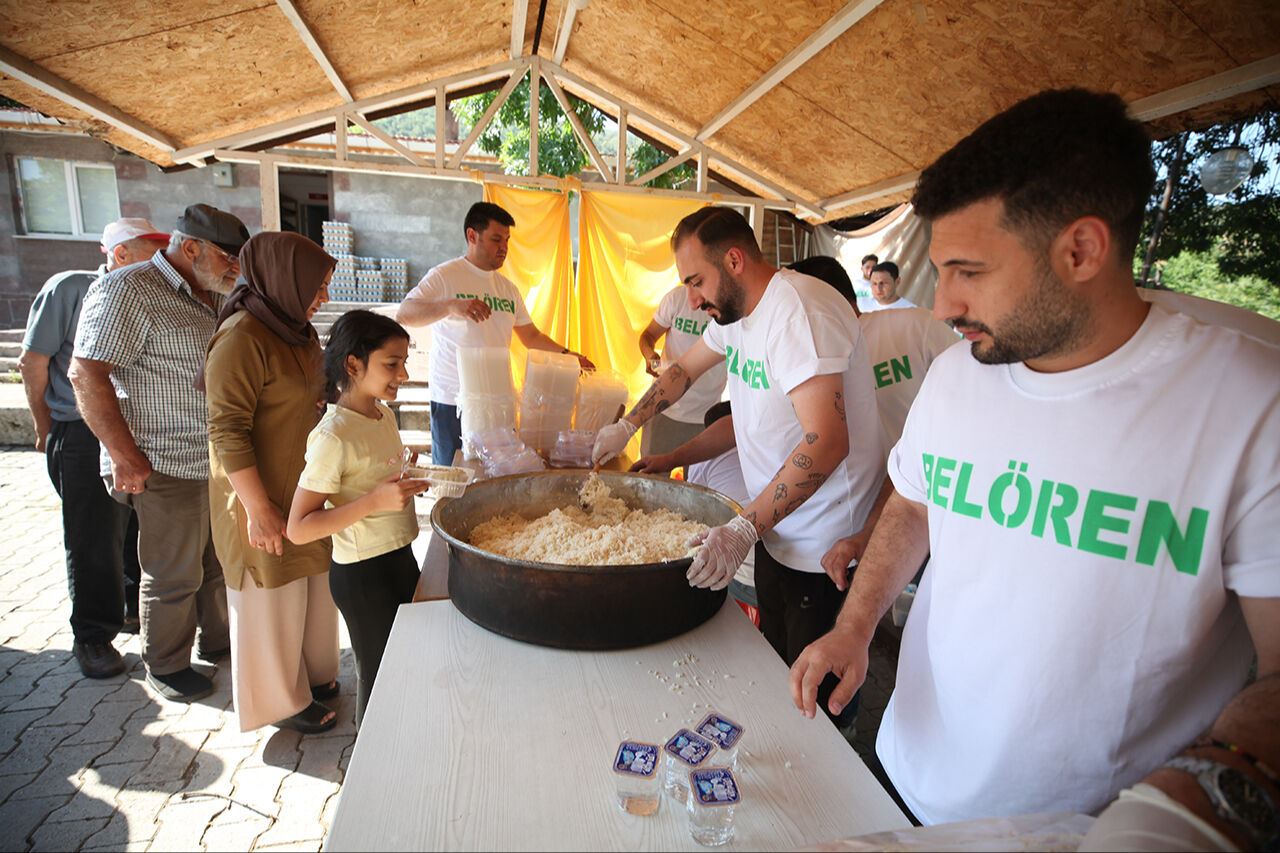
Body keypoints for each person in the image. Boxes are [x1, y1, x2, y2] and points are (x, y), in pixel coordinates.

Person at [789, 88, 1280, 838]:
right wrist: (855, 626)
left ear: (1080, 249)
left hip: (1087, 828)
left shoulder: (1252, 406)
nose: (944, 303)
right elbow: (918, 504)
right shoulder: (958, 376)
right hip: (906, 773)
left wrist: (1183, 814)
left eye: (966, 270)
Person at [593, 206, 889, 731]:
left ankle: (824, 803)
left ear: (733, 261)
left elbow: (827, 442)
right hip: (778, 532)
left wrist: (741, 528)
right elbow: (684, 370)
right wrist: (628, 426)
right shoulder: (735, 317)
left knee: (817, 710)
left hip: (827, 549)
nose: (691, 299)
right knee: (778, 683)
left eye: (696, 281)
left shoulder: (798, 312)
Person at [69, 204, 247, 703]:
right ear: (191, 248)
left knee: (213, 563)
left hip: (211, 462)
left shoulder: (209, 294)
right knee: (174, 572)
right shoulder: (129, 288)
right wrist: (124, 456)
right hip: (162, 461)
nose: (236, 269)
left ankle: (219, 642)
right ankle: (165, 665)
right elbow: (87, 374)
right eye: (228, 259)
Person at [201, 232, 341, 734]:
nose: (322, 297)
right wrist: (258, 509)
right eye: (317, 286)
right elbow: (226, 430)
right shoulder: (242, 337)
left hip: (301, 486)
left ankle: (315, 675)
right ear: (286, 279)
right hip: (258, 494)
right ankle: (281, 701)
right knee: (271, 596)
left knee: (310, 586)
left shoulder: (296, 330)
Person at [18, 218, 167, 677]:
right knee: (93, 537)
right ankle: (93, 635)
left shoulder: (149, 295)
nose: (160, 260)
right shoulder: (69, 289)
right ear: (120, 254)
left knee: (129, 531)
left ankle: (126, 609)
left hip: (136, 428)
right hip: (81, 429)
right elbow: (33, 362)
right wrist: (46, 429)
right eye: (149, 250)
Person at [287, 310, 428, 728]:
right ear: (353, 364)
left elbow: (371, 479)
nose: (403, 373)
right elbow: (299, 527)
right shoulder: (332, 435)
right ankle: (368, 770)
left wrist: (402, 476)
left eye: (404, 361)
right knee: (378, 675)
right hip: (363, 575)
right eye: (391, 363)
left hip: (398, 556)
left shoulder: (381, 414)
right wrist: (374, 501)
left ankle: (403, 746)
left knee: (404, 662)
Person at [788, 256, 959, 581]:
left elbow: (974, 383)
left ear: (820, 299)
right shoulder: (811, 360)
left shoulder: (913, 325)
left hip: (928, 506)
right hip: (854, 524)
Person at [395, 202, 593, 465]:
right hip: (453, 401)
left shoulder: (507, 289)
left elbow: (531, 337)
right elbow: (405, 313)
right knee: (454, 475)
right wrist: (451, 305)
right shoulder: (445, 276)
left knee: (493, 477)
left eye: (507, 240)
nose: (504, 248)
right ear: (472, 236)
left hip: (498, 401)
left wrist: (570, 356)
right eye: (496, 239)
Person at [635, 400, 758, 625]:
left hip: (741, 563)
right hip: (771, 554)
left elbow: (693, 512)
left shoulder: (705, 459)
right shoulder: (759, 448)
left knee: (734, 616)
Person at [636, 283, 727, 456]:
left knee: (695, 482)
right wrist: (649, 355)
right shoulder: (677, 298)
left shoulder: (731, 307)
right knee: (652, 480)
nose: (694, 304)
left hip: (705, 415)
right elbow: (647, 336)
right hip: (664, 410)